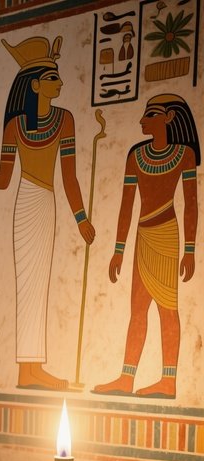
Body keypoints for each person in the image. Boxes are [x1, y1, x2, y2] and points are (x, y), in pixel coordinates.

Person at [0, 36, 95, 390]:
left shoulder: (65, 120)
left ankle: (33, 370)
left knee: (38, 285)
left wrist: (82, 218)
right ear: (36, 84)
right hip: (25, 203)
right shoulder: (15, 126)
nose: (61, 83)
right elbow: (5, 178)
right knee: (26, 285)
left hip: (46, 204)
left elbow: (69, 176)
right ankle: (28, 371)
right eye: (54, 77)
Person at [93, 94, 199, 400]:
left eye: (149, 115)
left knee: (168, 309)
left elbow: (190, 204)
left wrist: (189, 251)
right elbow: (126, 205)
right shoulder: (135, 156)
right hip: (143, 236)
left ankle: (168, 381)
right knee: (137, 311)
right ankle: (126, 378)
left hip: (167, 234)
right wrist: (118, 250)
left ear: (167, 119)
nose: (142, 120)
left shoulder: (184, 155)